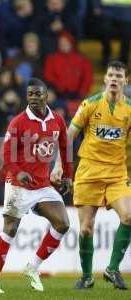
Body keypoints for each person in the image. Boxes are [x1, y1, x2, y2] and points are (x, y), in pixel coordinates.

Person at [0, 78, 72, 294]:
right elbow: (5, 153)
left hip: (42, 185)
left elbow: (65, 147)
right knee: (10, 229)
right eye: (30, 94)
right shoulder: (18, 122)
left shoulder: (57, 120)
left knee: (63, 224)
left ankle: (33, 267)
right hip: (18, 185)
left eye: (37, 94)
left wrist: (68, 175)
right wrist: (18, 172)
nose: (33, 98)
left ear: (46, 95)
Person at [62, 61, 131, 290]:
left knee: (129, 217)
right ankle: (87, 276)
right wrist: (59, 166)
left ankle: (112, 269)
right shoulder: (90, 104)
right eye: (110, 75)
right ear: (105, 79)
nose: (114, 79)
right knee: (85, 228)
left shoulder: (129, 108)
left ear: (125, 81)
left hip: (116, 173)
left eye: (118, 76)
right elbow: (69, 135)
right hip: (89, 171)